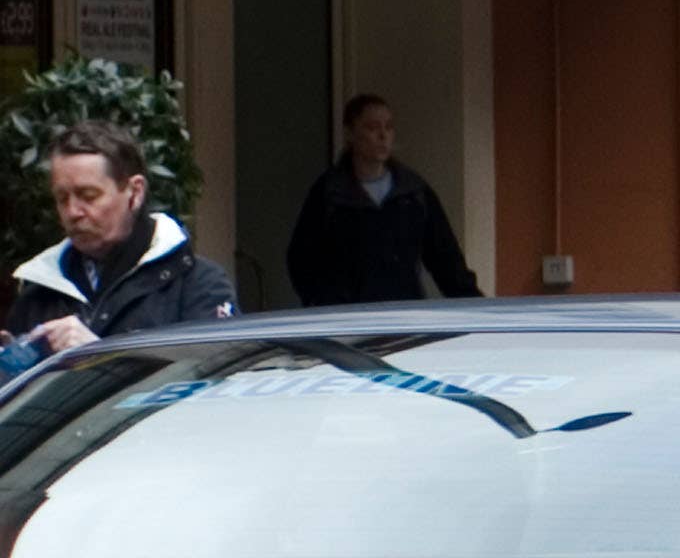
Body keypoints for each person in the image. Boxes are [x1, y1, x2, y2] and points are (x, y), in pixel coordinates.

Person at [11, 123, 242, 361]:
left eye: (88, 196)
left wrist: (102, 356)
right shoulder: (39, 291)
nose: (72, 211)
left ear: (135, 192)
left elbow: (218, 376)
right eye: (61, 198)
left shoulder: (197, 283)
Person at [281, 94, 481, 306]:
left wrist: (474, 306)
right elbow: (302, 258)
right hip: (347, 317)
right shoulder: (330, 193)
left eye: (389, 127)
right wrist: (322, 303)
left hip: (402, 313)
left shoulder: (413, 192)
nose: (383, 135)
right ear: (350, 133)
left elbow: (445, 258)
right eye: (372, 127)